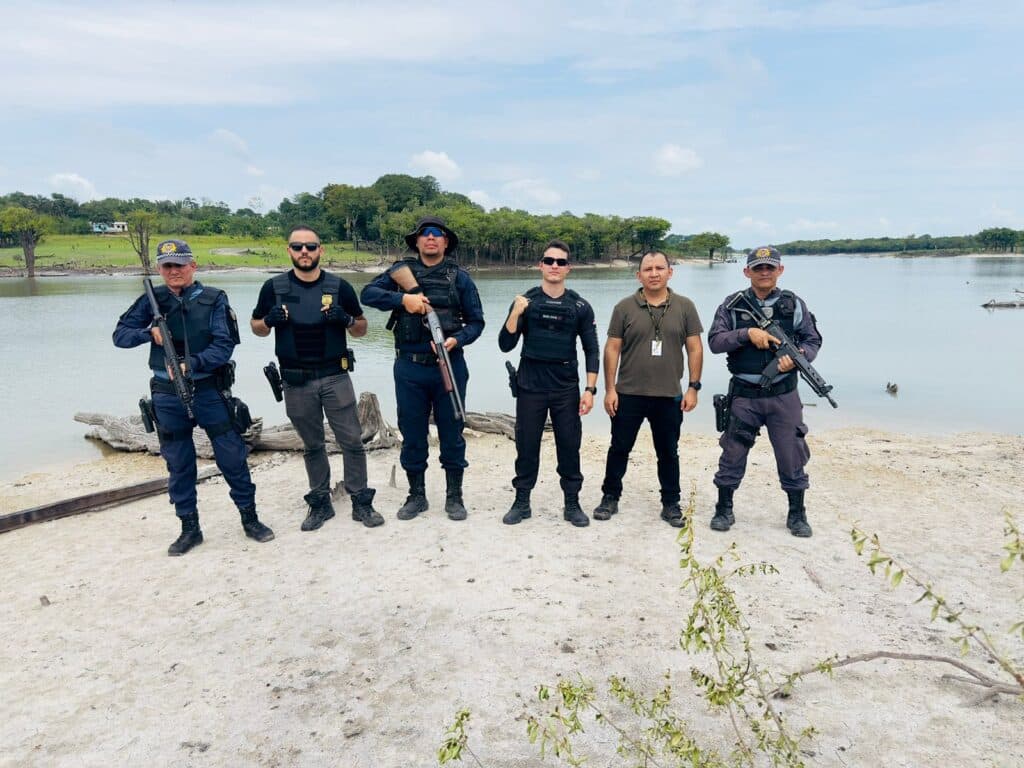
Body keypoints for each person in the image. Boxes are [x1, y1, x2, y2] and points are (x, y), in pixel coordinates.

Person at [113, 239, 273, 555]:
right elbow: (120, 336)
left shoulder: (214, 298)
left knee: (232, 458)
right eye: (167, 266)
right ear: (160, 269)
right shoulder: (151, 300)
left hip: (209, 390)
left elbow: (224, 345)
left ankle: (250, 519)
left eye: (179, 265)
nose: (173, 271)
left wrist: (192, 363)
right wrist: (149, 333)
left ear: (193, 266)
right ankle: (190, 529)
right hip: (166, 395)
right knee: (179, 464)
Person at [250, 226, 383, 531]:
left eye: (310, 246)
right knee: (312, 444)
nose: (304, 252)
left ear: (321, 250)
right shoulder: (274, 287)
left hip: (335, 376)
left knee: (352, 440)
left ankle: (361, 501)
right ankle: (320, 503)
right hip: (295, 380)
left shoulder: (340, 286)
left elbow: (362, 328)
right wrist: (267, 322)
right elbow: (257, 326)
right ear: (290, 252)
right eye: (298, 247)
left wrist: (346, 319)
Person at [361, 216, 485, 521]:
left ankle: (454, 497)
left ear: (445, 242)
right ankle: (416, 496)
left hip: (450, 365)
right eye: (424, 234)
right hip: (409, 368)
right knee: (412, 434)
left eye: (437, 234)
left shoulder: (460, 277)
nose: (431, 238)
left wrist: (456, 339)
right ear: (416, 241)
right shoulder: (399, 272)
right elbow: (367, 295)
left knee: (453, 433)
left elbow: (477, 322)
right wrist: (404, 299)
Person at [707, 246, 822, 537]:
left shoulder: (793, 304)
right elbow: (716, 341)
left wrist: (797, 356)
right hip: (745, 394)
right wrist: (746, 334)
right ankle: (724, 508)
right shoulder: (732, 305)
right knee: (732, 451)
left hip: (784, 394)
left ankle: (797, 513)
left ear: (780, 270)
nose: (764, 273)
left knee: (792, 453)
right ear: (747, 272)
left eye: (770, 267)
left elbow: (813, 340)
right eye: (758, 268)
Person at [593, 250, 704, 527]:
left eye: (659, 268)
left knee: (668, 451)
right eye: (647, 269)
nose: (653, 273)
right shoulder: (624, 308)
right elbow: (612, 349)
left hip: (669, 394)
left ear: (670, 272)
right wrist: (610, 389)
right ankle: (610, 497)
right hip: (628, 393)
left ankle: (671, 503)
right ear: (638, 274)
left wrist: (693, 387)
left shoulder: (685, 306)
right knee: (619, 448)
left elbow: (695, 347)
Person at [499, 240, 600, 527]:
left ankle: (572, 503)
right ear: (540, 265)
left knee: (569, 445)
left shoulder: (580, 306)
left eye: (561, 262)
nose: (555, 266)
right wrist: (515, 313)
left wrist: (590, 390)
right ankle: (522, 501)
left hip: (565, 387)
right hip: (530, 385)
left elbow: (591, 349)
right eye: (549, 261)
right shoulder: (525, 302)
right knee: (527, 446)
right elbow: (505, 344)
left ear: (568, 268)